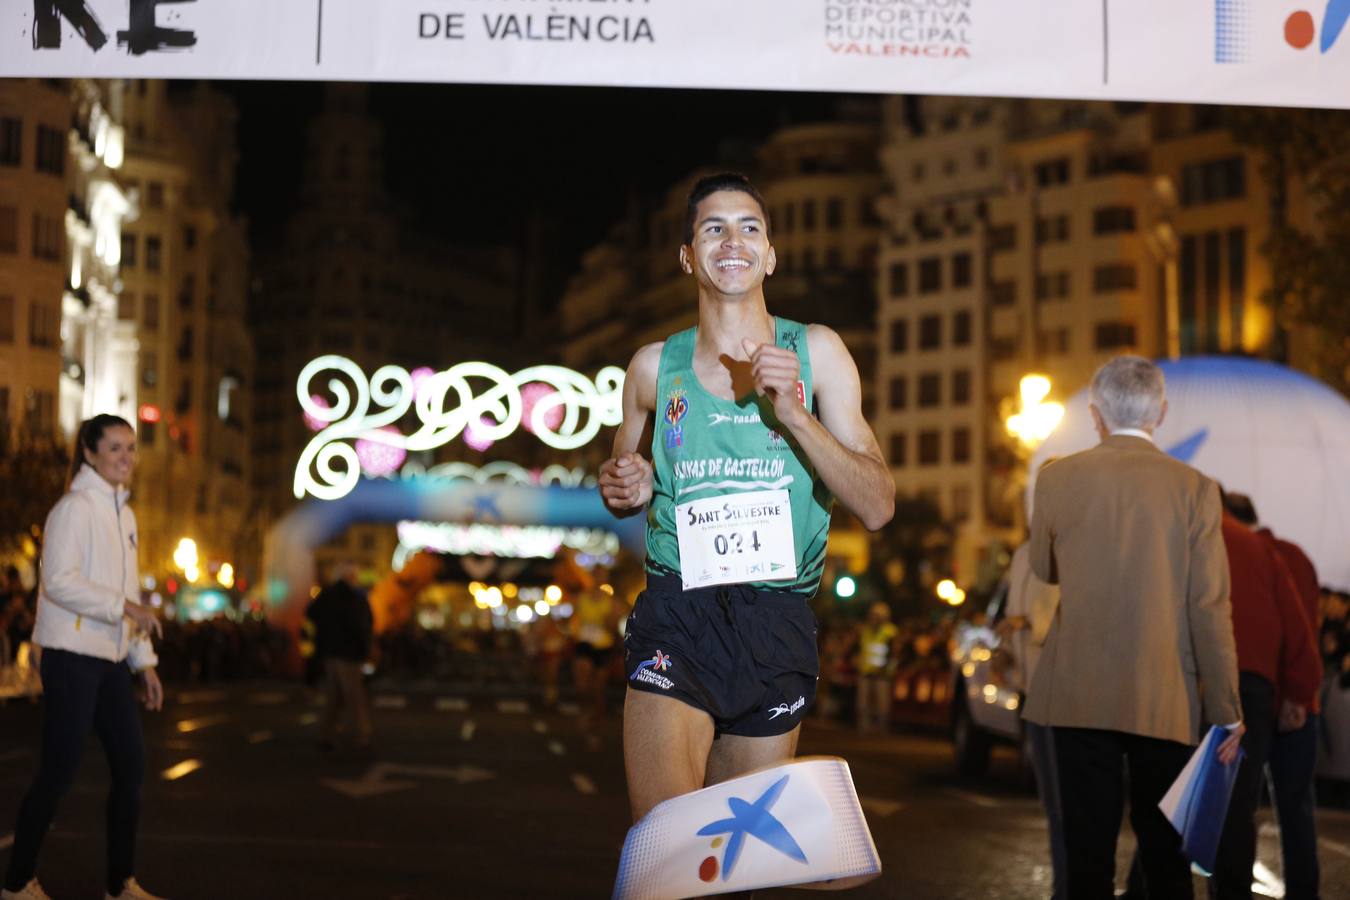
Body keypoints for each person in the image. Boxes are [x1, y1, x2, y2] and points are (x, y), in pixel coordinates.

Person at [599, 172, 895, 825]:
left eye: (749, 228)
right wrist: (621, 486)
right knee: (670, 849)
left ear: (771, 254)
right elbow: (624, 480)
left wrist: (796, 415)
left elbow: (876, 505)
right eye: (713, 227)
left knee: (733, 869)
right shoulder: (653, 366)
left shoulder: (817, 352)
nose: (733, 240)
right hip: (678, 610)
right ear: (687, 256)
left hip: (776, 619)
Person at [1024, 356, 1243, 900]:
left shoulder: (1057, 477)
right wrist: (1226, 711)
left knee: (1086, 860)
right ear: (1161, 412)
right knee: (1167, 861)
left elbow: (1042, 570)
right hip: (1164, 693)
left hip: (1076, 691)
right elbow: (1209, 606)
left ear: (1096, 415)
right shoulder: (1196, 489)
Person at [3, 415, 166, 900]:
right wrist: (124, 608)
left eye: (131, 448)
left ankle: (120, 884)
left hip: (111, 659)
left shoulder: (125, 514)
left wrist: (144, 661)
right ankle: (16, 883)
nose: (126, 458)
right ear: (90, 454)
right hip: (71, 656)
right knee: (58, 770)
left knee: (131, 766)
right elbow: (59, 582)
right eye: (115, 448)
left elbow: (129, 590)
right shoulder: (74, 509)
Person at [1209, 498, 1320, 900]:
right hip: (1281, 692)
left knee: (1221, 798)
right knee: (1290, 807)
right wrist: (1302, 691)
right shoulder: (1285, 554)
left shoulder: (1226, 543)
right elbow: (1303, 625)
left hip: (1253, 689)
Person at [1000, 538, 1065, 900]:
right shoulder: (1024, 553)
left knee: (1063, 800)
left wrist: (1030, 622)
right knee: (1051, 801)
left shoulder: (1068, 546)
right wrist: (1005, 651)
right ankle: (1064, 883)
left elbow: (1070, 612)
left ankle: (1071, 885)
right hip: (1029, 689)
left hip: (1058, 688)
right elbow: (1012, 607)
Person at [306, 562, 373, 751]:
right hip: (349, 653)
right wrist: (364, 648)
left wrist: (325, 632)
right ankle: (361, 735)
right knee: (354, 696)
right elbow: (361, 625)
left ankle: (326, 733)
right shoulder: (354, 598)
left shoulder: (327, 595)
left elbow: (310, 612)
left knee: (334, 695)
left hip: (329, 651)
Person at [570, 569, 624, 750]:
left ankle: (595, 727)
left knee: (598, 690)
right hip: (584, 644)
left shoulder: (612, 602)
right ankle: (583, 713)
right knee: (582, 685)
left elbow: (615, 628)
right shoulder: (581, 598)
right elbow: (573, 620)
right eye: (597, 577)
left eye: (603, 577)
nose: (600, 580)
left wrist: (610, 621)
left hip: (603, 647)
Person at [854, 601, 899, 734]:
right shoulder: (865, 630)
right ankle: (864, 727)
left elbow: (894, 653)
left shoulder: (891, 631)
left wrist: (888, 669)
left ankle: (881, 729)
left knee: (882, 704)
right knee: (863, 702)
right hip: (866, 672)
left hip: (882, 674)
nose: (874, 618)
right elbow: (860, 648)